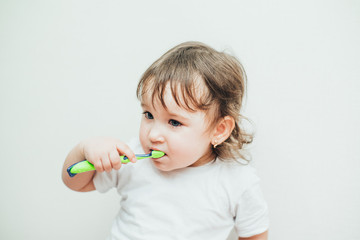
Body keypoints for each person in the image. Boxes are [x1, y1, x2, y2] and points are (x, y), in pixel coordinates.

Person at [62, 41, 269, 240]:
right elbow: (75, 183)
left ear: (219, 130)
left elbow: (254, 234)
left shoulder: (238, 181)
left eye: (174, 122)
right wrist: (85, 149)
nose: (153, 135)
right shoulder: (132, 157)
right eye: (149, 115)